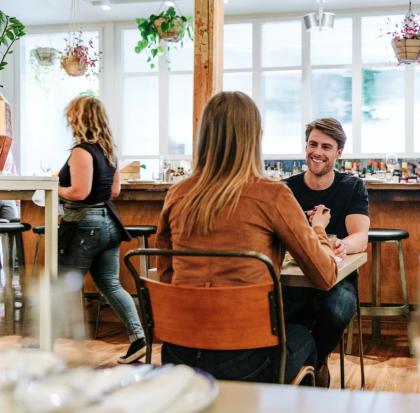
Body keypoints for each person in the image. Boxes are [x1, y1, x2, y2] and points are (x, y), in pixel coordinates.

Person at [155, 91, 338, 384]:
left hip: (179, 355)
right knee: (305, 337)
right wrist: (318, 228)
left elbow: (166, 273)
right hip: (249, 360)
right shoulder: (272, 194)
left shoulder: (177, 194)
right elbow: (325, 276)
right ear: (257, 136)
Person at [58, 96, 146, 363]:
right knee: (110, 284)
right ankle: (139, 338)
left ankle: (56, 347)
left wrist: (53, 186)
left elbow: (78, 192)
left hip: (85, 225)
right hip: (109, 222)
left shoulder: (81, 151)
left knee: (63, 284)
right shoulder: (109, 151)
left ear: (78, 119)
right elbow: (114, 190)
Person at [283, 118, 370, 387]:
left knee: (337, 310)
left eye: (326, 146)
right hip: (292, 278)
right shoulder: (286, 189)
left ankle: (312, 364)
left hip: (337, 278)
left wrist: (344, 244)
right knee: (275, 309)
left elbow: (360, 236)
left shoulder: (352, 186)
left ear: (339, 152)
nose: (317, 152)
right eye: (312, 144)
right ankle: (303, 365)